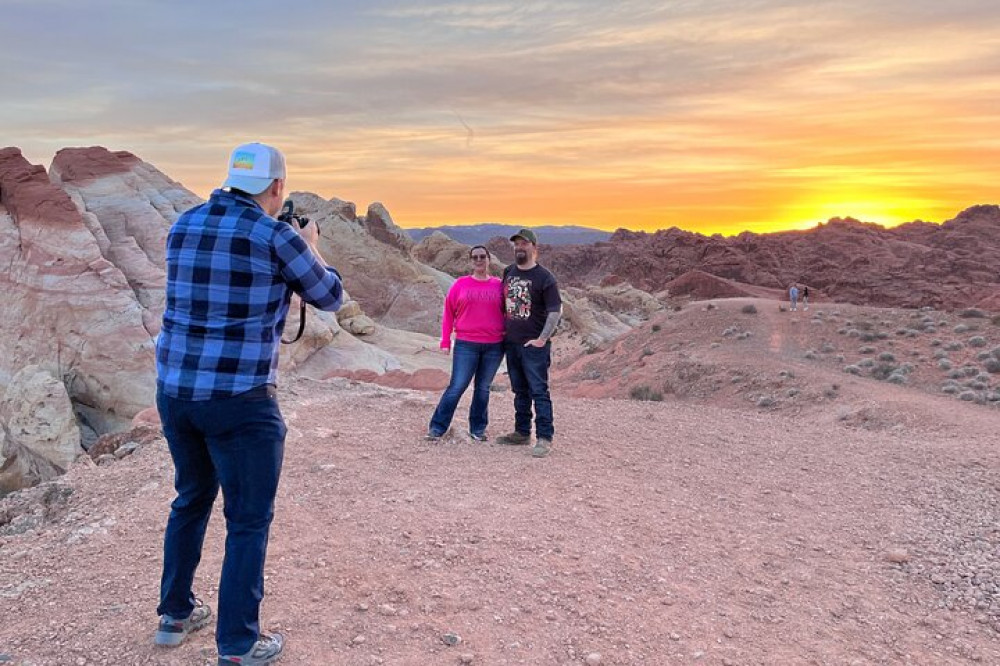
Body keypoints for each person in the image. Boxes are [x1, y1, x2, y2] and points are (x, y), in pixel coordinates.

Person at [154, 143, 343, 665]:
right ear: (277, 188)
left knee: (190, 499)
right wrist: (311, 244)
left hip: (175, 392)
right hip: (239, 399)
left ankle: (174, 615)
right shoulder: (275, 233)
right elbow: (330, 296)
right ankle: (237, 645)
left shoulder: (184, 224)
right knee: (247, 520)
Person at [426, 245, 505, 441]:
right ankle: (437, 428)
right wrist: (445, 341)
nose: (479, 260)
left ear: (489, 259)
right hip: (466, 344)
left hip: (494, 345)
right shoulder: (460, 285)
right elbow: (448, 314)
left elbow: (509, 313)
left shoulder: (499, 285)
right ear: (471, 261)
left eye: (482, 257)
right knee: (457, 386)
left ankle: (478, 429)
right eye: (475, 257)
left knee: (483, 388)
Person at [496, 228, 562, 458]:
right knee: (519, 390)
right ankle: (522, 432)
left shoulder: (545, 277)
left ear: (534, 248)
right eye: (517, 244)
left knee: (538, 391)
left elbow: (555, 312)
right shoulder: (509, 272)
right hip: (512, 343)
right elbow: (503, 304)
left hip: (534, 346)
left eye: (524, 244)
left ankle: (544, 437)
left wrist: (542, 339)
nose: (519, 248)